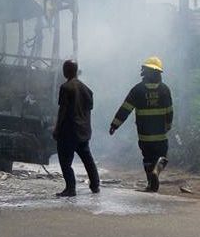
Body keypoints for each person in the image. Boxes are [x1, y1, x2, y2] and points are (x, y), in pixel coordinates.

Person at [109, 56, 172, 192]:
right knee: (163, 157)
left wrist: (114, 125)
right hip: (160, 135)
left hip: (144, 135)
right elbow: (169, 111)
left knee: (148, 159)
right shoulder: (164, 90)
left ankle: (150, 183)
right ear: (158, 73)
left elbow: (125, 109)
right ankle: (156, 171)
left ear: (144, 72)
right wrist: (168, 124)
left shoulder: (137, 90)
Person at [53, 60, 100, 197]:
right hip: (83, 131)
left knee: (65, 162)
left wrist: (57, 128)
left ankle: (70, 188)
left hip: (69, 131)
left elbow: (63, 110)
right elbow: (88, 109)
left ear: (67, 71)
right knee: (87, 159)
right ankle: (95, 185)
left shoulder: (66, 87)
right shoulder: (86, 89)